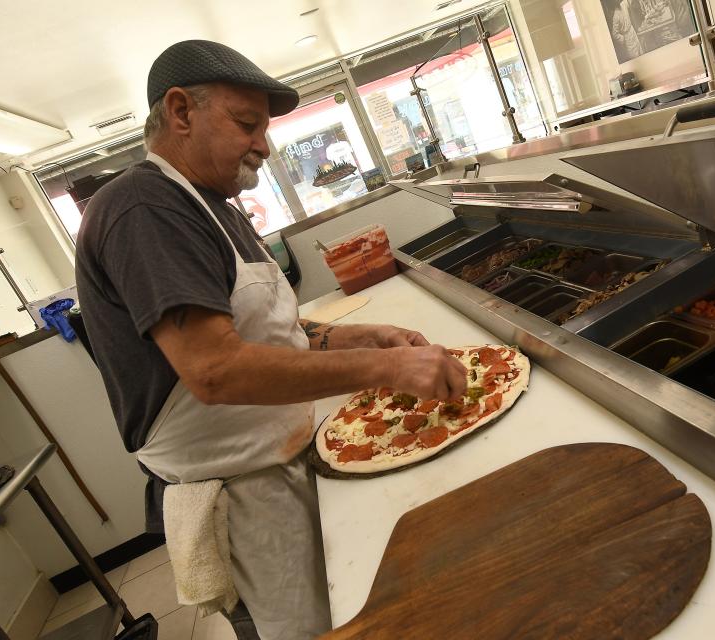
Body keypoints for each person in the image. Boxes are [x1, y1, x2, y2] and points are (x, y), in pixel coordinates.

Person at [75, 40, 467, 640]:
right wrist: (386, 370)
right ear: (180, 113)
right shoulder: (142, 207)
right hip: (240, 494)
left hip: (279, 460)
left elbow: (274, 332)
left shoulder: (214, 206)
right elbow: (215, 370)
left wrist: (364, 337)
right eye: (247, 124)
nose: (264, 144)